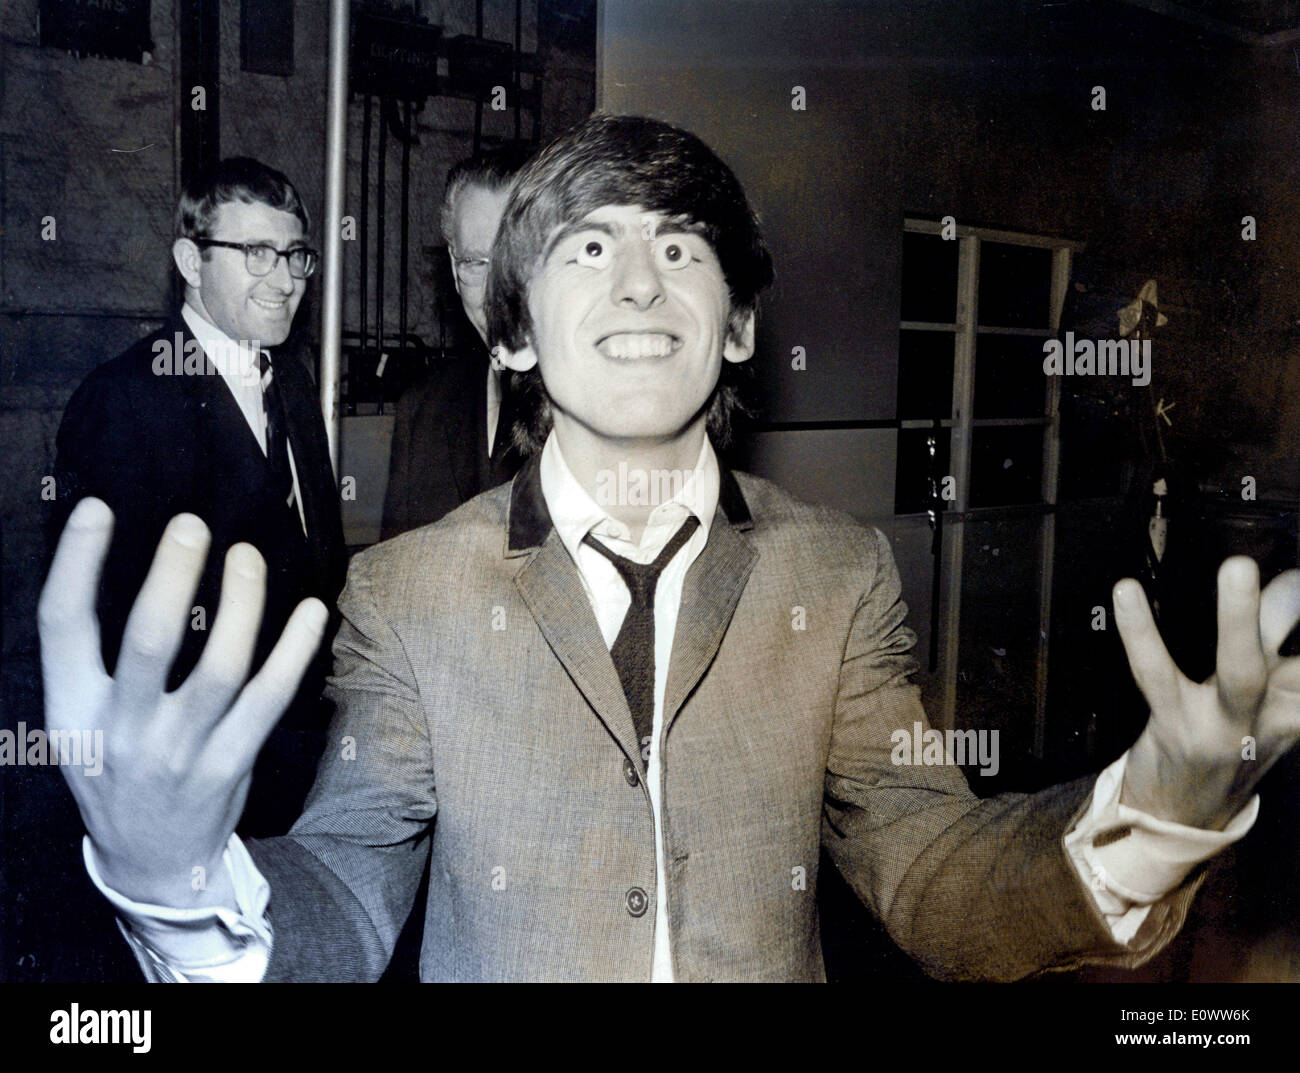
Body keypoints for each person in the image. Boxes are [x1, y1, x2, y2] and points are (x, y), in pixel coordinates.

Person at [40, 116, 1299, 982]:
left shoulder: (837, 573)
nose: (640, 284)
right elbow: (346, 885)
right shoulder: (410, 591)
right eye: (588, 250)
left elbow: (933, 867)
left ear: (739, 326)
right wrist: (182, 880)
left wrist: (1150, 815)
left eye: (679, 248)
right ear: (516, 336)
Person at [50, 157, 347, 838]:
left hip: (306, 773)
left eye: (295, 255)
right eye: (257, 253)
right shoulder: (124, 399)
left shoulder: (293, 385)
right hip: (192, 787)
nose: (284, 280)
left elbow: (316, 567)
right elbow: (114, 622)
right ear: (190, 259)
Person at [380, 146, 531, 539]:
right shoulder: (422, 412)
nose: (498, 291)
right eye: (477, 263)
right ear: (453, 264)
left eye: (515, 260)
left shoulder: (606, 411)